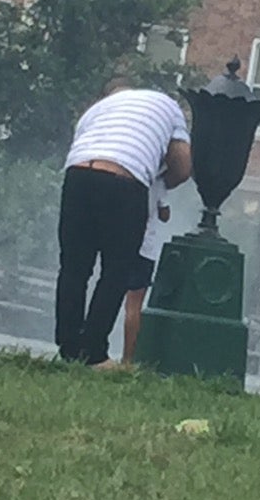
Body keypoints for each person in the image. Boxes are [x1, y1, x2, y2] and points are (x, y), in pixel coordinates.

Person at [56, 85, 191, 366]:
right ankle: (93, 353)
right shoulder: (170, 108)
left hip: (78, 175)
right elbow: (182, 165)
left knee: (73, 267)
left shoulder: (98, 109)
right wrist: (162, 182)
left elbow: (82, 142)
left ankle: (68, 347)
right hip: (125, 180)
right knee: (116, 270)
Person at [121, 176, 173, 364]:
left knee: (107, 294)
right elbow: (165, 215)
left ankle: (93, 348)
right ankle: (127, 359)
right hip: (144, 249)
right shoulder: (158, 181)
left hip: (121, 242)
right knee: (133, 307)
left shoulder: (128, 173)